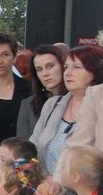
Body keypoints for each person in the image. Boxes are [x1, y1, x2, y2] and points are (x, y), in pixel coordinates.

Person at [30, 45, 103, 176]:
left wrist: (57, 183)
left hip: (81, 191)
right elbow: (32, 145)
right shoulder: (52, 104)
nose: (68, 73)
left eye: (77, 67)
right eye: (66, 67)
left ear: (95, 71)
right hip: (44, 187)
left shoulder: (98, 109)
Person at [16, 45, 67, 138]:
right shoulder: (28, 105)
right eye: (39, 69)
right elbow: (22, 145)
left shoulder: (77, 100)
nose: (45, 74)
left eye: (50, 66)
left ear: (63, 65)